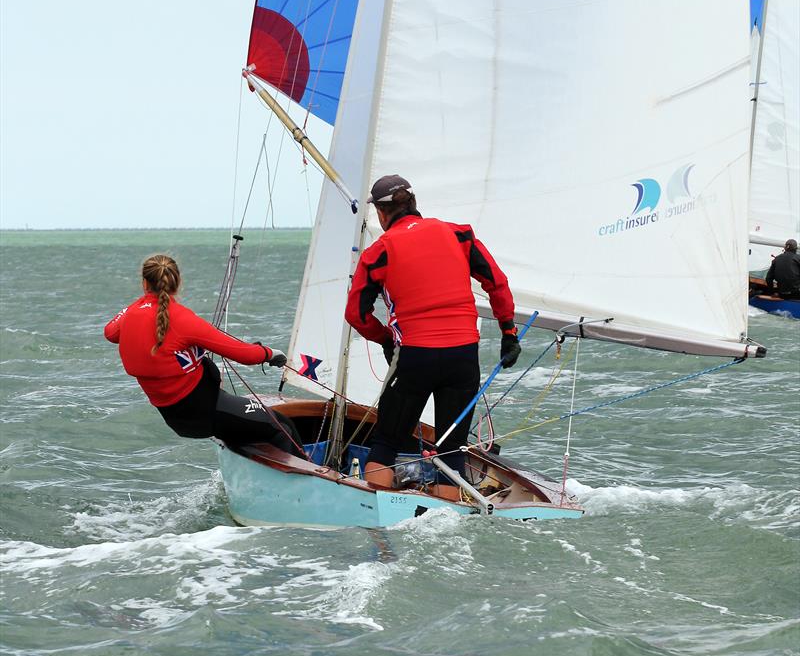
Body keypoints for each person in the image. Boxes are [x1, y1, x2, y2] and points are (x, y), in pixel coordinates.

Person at [344, 175, 520, 501]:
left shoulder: (378, 252)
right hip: (463, 355)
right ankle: (444, 523)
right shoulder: (459, 234)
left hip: (415, 356)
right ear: (412, 203)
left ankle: (376, 528)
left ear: (382, 214)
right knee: (451, 449)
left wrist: (384, 338)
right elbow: (497, 282)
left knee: (385, 445)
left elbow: (356, 314)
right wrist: (509, 333)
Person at [104, 254, 302, 453]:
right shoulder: (183, 319)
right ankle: (306, 480)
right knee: (283, 427)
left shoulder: (131, 315)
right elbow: (246, 356)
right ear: (178, 282)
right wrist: (270, 353)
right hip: (207, 411)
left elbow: (110, 332)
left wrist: (143, 301)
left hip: (177, 419)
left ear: (144, 283)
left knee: (250, 425)